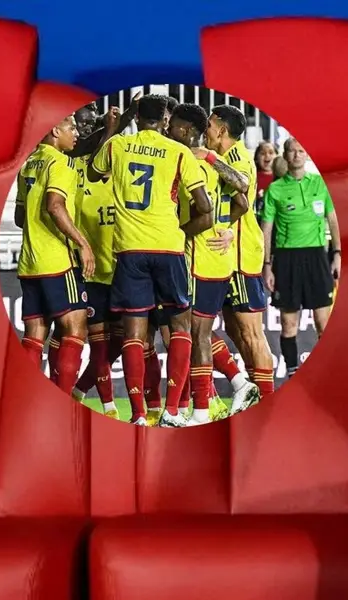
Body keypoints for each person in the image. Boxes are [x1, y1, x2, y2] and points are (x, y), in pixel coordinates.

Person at [87, 96, 213, 426]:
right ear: (163, 119)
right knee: (180, 327)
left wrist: (113, 129)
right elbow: (205, 208)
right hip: (168, 249)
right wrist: (182, 231)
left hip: (129, 251)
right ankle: (172, 410)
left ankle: (139, 415)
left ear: (139, 118)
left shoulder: (117, 146)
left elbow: (93, 171)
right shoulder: (179, 152)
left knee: (134, 333)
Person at [159, 103, 248, 427]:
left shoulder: (196, 160)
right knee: (194, 333)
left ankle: (197, 410)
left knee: (191, 334)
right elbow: (242, 198)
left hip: (198, 258)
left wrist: (180, 237)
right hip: (215, 261)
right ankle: (222, 391)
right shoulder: (211, 161)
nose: (167, 130)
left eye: (212, 123)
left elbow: (233, 195)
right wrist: (227, 227)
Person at [15, 114, 95, 393]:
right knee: (75, 329)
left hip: (30, 262)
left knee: (35, 336)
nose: (76, 133)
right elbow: (55, 205)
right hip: (58, 259)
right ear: (53, 129)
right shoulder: (61, 163)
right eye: (71, 127)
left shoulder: (27, 165)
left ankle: (29, 401)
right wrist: (82, 243)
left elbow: (19, 216)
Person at [207, 105, 275, 410]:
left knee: (252, 334)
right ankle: (247, 389)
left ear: (221, 129)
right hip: (224, 256)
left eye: (209, 124)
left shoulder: (237, 157)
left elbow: (242, 188)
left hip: (240, 257)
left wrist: (207, 157)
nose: (204, 130)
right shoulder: (224, 156)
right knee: (233, 332)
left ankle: (266, 403)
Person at [260, 139, 341, 379]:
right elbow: (266, 229)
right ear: (284, 156)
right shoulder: (275, 190)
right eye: (292, 151)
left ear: (307, 155)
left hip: (316, 255)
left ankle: (328, 376)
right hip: (287, 259)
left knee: (324, 323)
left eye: (301, 151)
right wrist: (267, 265)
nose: (296, 155)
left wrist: (337, 253)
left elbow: (334, 220)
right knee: (289, 324)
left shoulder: (320, 184)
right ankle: (294, 375)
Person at [66, 103, 124, 420]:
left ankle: (78, 390)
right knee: (94, 342)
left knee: (124, 341)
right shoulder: (71, 167)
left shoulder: (121, 163)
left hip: (123, 271)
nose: (86, 129)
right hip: (88, 272)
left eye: (92, 124)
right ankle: (108, 407)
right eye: (81, 124)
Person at [253, 141, 277, 217]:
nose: (267, 155)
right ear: (256, 158)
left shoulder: (282, 178)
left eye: (271, 152)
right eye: (263, 153)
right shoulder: (253, 177)